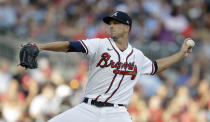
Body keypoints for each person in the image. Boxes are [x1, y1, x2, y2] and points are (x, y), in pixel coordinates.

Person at [33, 11, 193, 122]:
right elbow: (69, 46)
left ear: (127, 28)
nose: (111, 26)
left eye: (116, 23)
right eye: (110, 23)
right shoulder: (99, 44)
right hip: (88, 108)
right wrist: (40, 47)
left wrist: (180, 54)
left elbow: (155, 67)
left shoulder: (137, 56)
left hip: (116, 113)